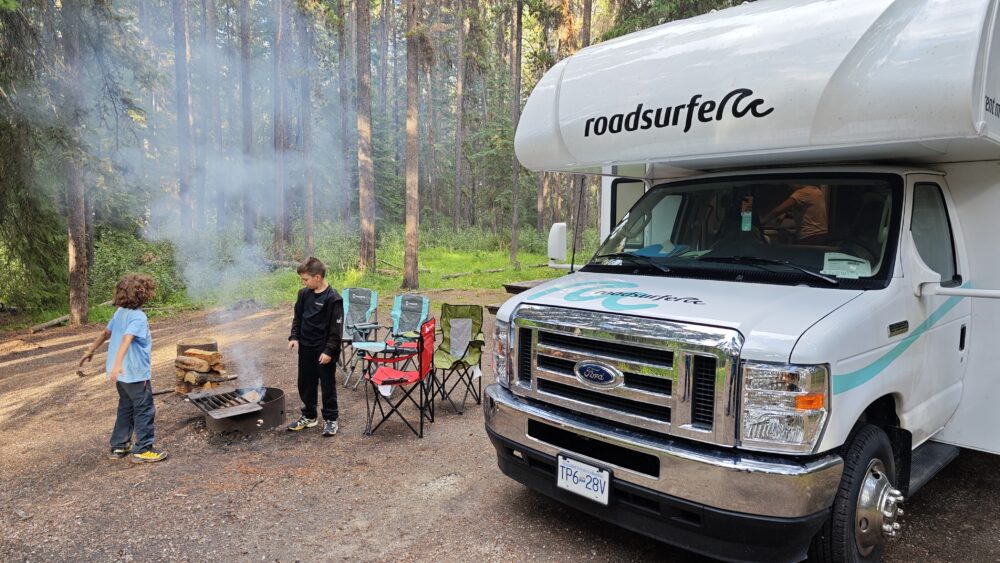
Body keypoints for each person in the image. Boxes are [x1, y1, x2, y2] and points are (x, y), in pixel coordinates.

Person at [79, 273, 168, 463]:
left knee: (126, 407)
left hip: (121, 376)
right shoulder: (138, 317)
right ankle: (143, 449)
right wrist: (119, 364)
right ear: (144, 294)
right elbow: (127, 340)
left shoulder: (120, 313)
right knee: (144, 409)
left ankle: (120, 446)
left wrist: (90, 350)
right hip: (134, 373)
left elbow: (106, 333)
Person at [287, 257, 344, 436]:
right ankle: (310, 416)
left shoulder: (333, 298)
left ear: (317, 277)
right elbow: (298, 317)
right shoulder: (304, 294)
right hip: (306, 347)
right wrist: (294, 337)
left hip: (324, 350)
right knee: (305, 383)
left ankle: (331, 419)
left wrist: (329, 351)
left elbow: (336, 330)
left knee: (327, 385)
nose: (304, 283)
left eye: (306, 279)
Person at [761, 184, 829, 244]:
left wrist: (762, 221)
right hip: (822, 235)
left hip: (809, 236)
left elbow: (779, 210)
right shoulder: (817, 191)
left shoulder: (802, 192)